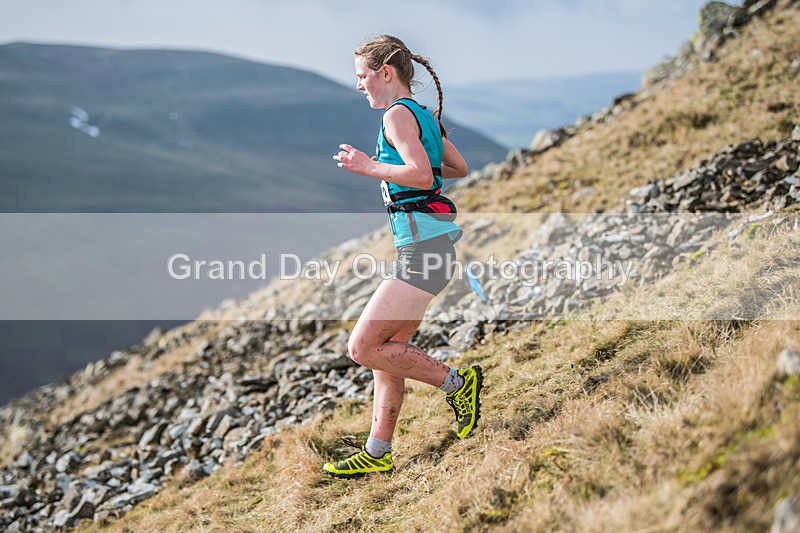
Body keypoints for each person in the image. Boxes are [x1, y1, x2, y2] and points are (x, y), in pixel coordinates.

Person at [324, 35, 483, 478]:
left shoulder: (397, 115)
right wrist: (418, 164)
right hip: (429, 248)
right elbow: (456, 168)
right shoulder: (420, 115)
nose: (358, 85)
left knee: (362, 347)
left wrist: (367, 165)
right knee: (388, 350)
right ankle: (378, 451)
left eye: (362, 76)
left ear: (385, 73)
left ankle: (458, 384)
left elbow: (416, 173)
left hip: (424, 251)